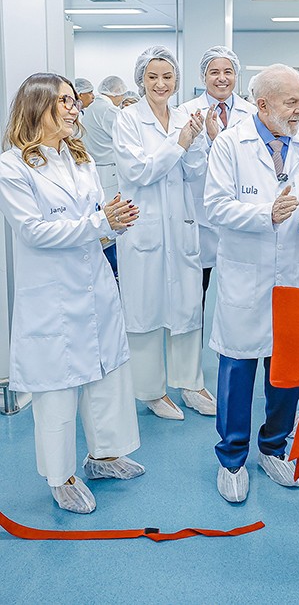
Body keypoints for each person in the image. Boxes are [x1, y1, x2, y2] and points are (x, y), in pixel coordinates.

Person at [0, 73, 144, 514]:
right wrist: (100, 223)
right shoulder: (13, 166)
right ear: (37, 106)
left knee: (106, 374)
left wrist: (113, 222)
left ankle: (104, 455)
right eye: (63, 101)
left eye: (72, 101)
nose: (73, 107)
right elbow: (33, 230)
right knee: (57, 388)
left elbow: (93, 220)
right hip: (52, 297)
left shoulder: (80, 158)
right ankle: (60, 476)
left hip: (94, 283)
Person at [204, 64, 299, 501]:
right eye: (292, 102)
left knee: (288, 368)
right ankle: (232, 459)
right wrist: (266, 214)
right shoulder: (230, 144)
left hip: (296, 271)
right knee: (238, 368)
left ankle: (274, 447)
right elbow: (215, 206)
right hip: (247, 273)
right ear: (262, 105)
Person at [114, 46, 216, 420]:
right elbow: (139, 171)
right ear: (141, 79)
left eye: (168, 77)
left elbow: (194, 170)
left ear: (176, 80)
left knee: (187, 306)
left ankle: (190, 384)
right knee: (144, 310)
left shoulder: (184, 117)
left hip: (180, 224)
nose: (161, 84)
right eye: (153, 76)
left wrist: (195, 142)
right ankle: (151, 391)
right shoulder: (128, 119)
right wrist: (180, 143)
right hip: (143, 225)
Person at [178, 46, 256, 308]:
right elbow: (186, 166)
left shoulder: (252, 114)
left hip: (240, 210)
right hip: (200, 214)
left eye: (228, 72)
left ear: (236, 75)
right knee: (198, 295)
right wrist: (214, 143)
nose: (222, 78)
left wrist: (217, 140)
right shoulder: (186, 112)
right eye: (214, 72)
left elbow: (253, 162)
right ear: (203, 77)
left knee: (238, 296)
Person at [80, 74, 129, 278]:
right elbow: (127, 136)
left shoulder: (91, 108)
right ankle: (115, 269)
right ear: (117, 92)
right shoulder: (109, 110)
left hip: (98, 169)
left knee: (104, 218)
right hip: (110, 171)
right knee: (113, 222)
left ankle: (110, 268)